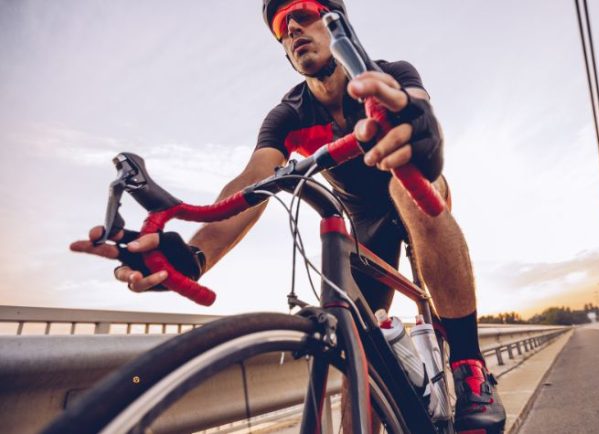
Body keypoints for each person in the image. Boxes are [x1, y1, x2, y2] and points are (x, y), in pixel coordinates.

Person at [70, 1, 506, 432]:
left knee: (409, 185)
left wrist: (418, 122)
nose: (293, 26)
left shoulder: (388, 73)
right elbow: (254, 180)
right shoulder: (288, 114)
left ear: (335, 23)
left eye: (304, 11)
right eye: (282, 23)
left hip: (415, 185)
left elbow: (416, 106)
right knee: (360, 361)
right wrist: (194, 256)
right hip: (365, 225)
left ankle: (469, 367)